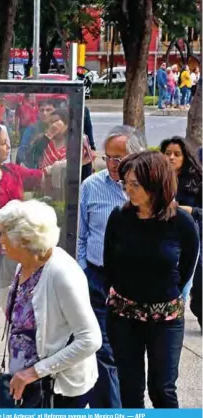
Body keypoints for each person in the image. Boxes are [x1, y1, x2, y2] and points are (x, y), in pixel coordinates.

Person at [104, 151, 200, 408]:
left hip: (166, 318)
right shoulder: (119, 218)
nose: (128, 190)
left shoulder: (182, 222)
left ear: (156, 184)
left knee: (163, 389)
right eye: (126, 184)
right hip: (123, 317)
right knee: (130, 390)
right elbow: (109, 265)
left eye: (135, 184)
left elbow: (187, 268)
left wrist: (162, 295)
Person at [0, 199, 102, 408]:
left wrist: (34, 372)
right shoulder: (25, 264)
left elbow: (90, 339)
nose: (0, 240)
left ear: (24, 241)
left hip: (57, 393)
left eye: (4, 234)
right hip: (28, 387)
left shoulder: (62, 273)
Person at [76, 125, 146, 409]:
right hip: (98, 279)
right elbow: (81, 235)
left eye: (120, 158)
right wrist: (83, 273)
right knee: (102, 351)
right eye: (108, 158)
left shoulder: (146, 192)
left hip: (136, 284)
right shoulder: (91, 186)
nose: (114, 165)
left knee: (128, 354)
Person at [160, 136, 202, 326]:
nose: (171, 158)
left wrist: (188, 211)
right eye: (167, 153)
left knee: (193, 284)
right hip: (162, 240)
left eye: (176, 154)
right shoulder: (155, 180)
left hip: (192, 239)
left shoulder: (197, 182)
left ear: (185, 157)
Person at [16, 100, 56, 168]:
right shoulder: (31, 129)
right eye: (42, 110)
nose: (44, 113)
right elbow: (22, 152)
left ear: (55, 111)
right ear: (38, 112)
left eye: (48, 110)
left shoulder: (59, 129)